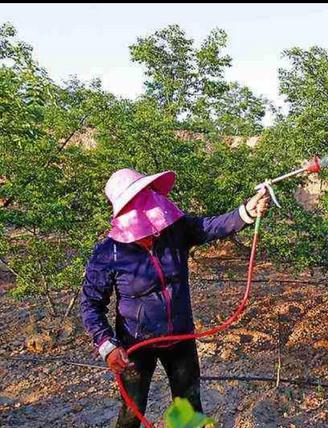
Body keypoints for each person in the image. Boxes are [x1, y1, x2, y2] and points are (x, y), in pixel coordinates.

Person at [80, 168, 270, 427]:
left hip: (180, 337)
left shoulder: (174, 230)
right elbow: (91, 304)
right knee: (131, 413)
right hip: (136, 345)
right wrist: (107, 345)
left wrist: (246, 212)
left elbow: (209, 227)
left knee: (189, 407)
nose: (155, 230)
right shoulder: (108, 253)